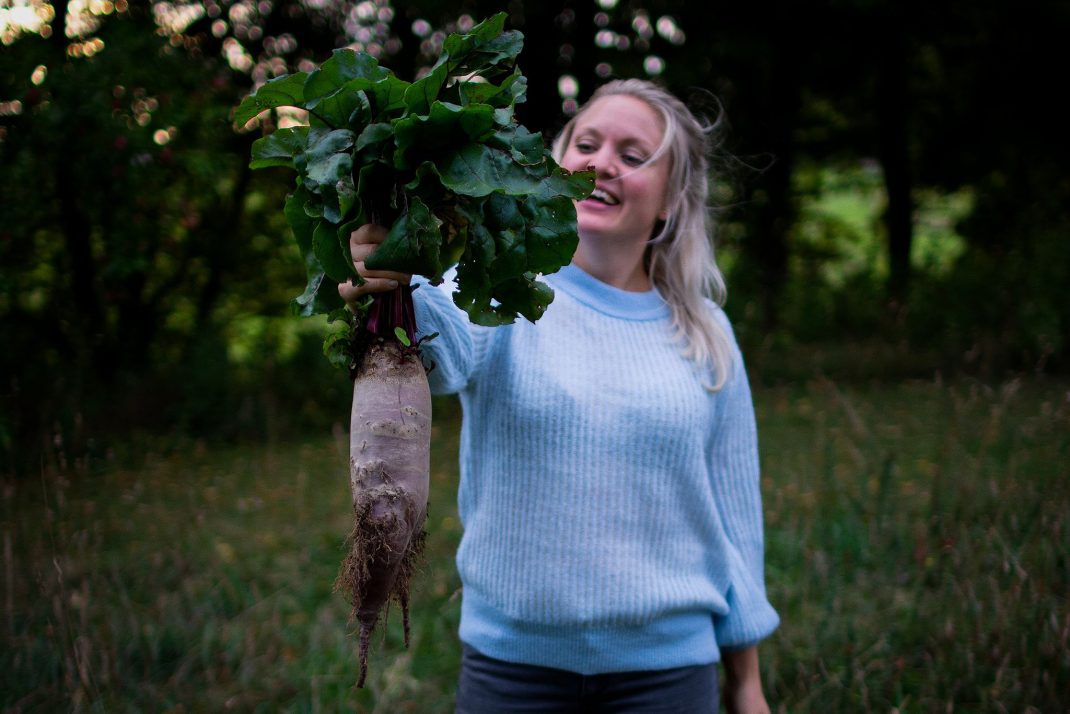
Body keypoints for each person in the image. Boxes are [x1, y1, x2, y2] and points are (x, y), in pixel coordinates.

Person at [339, 78, 779, 713]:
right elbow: (435, 350)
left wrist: (747, 683)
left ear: (670, 202)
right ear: (553, 166)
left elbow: (736, 519)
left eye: (633, 156)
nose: (602, 163)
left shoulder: (705, 333)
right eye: (587, 143)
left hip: (669, 672)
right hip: (515, 671)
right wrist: (388, 275)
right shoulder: (498, 286)